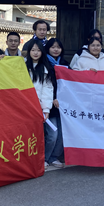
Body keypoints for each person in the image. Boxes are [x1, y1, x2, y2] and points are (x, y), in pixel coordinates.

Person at [25, 40, 55, 169]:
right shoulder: (22, 66)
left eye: (38, 50)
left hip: (40, 108)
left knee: (45, 135)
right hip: (26, 108)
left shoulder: (46, 68)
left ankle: (42, 160)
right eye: (33, 50)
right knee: (29, 136)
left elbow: (47, 90)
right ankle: (29, 161)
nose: (35, 53)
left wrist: (46, 109)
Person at [44, 38, 68, 168]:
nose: (56, 49)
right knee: (53, 134)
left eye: (58, 47)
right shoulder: (44, 63)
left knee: (63, 135)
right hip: (49, 105)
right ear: (48, 48)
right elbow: (44, 85)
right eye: (53, 47)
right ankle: (45, 158)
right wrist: (52, 98)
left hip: (63, 106)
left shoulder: (65, 64)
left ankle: (54, 157)